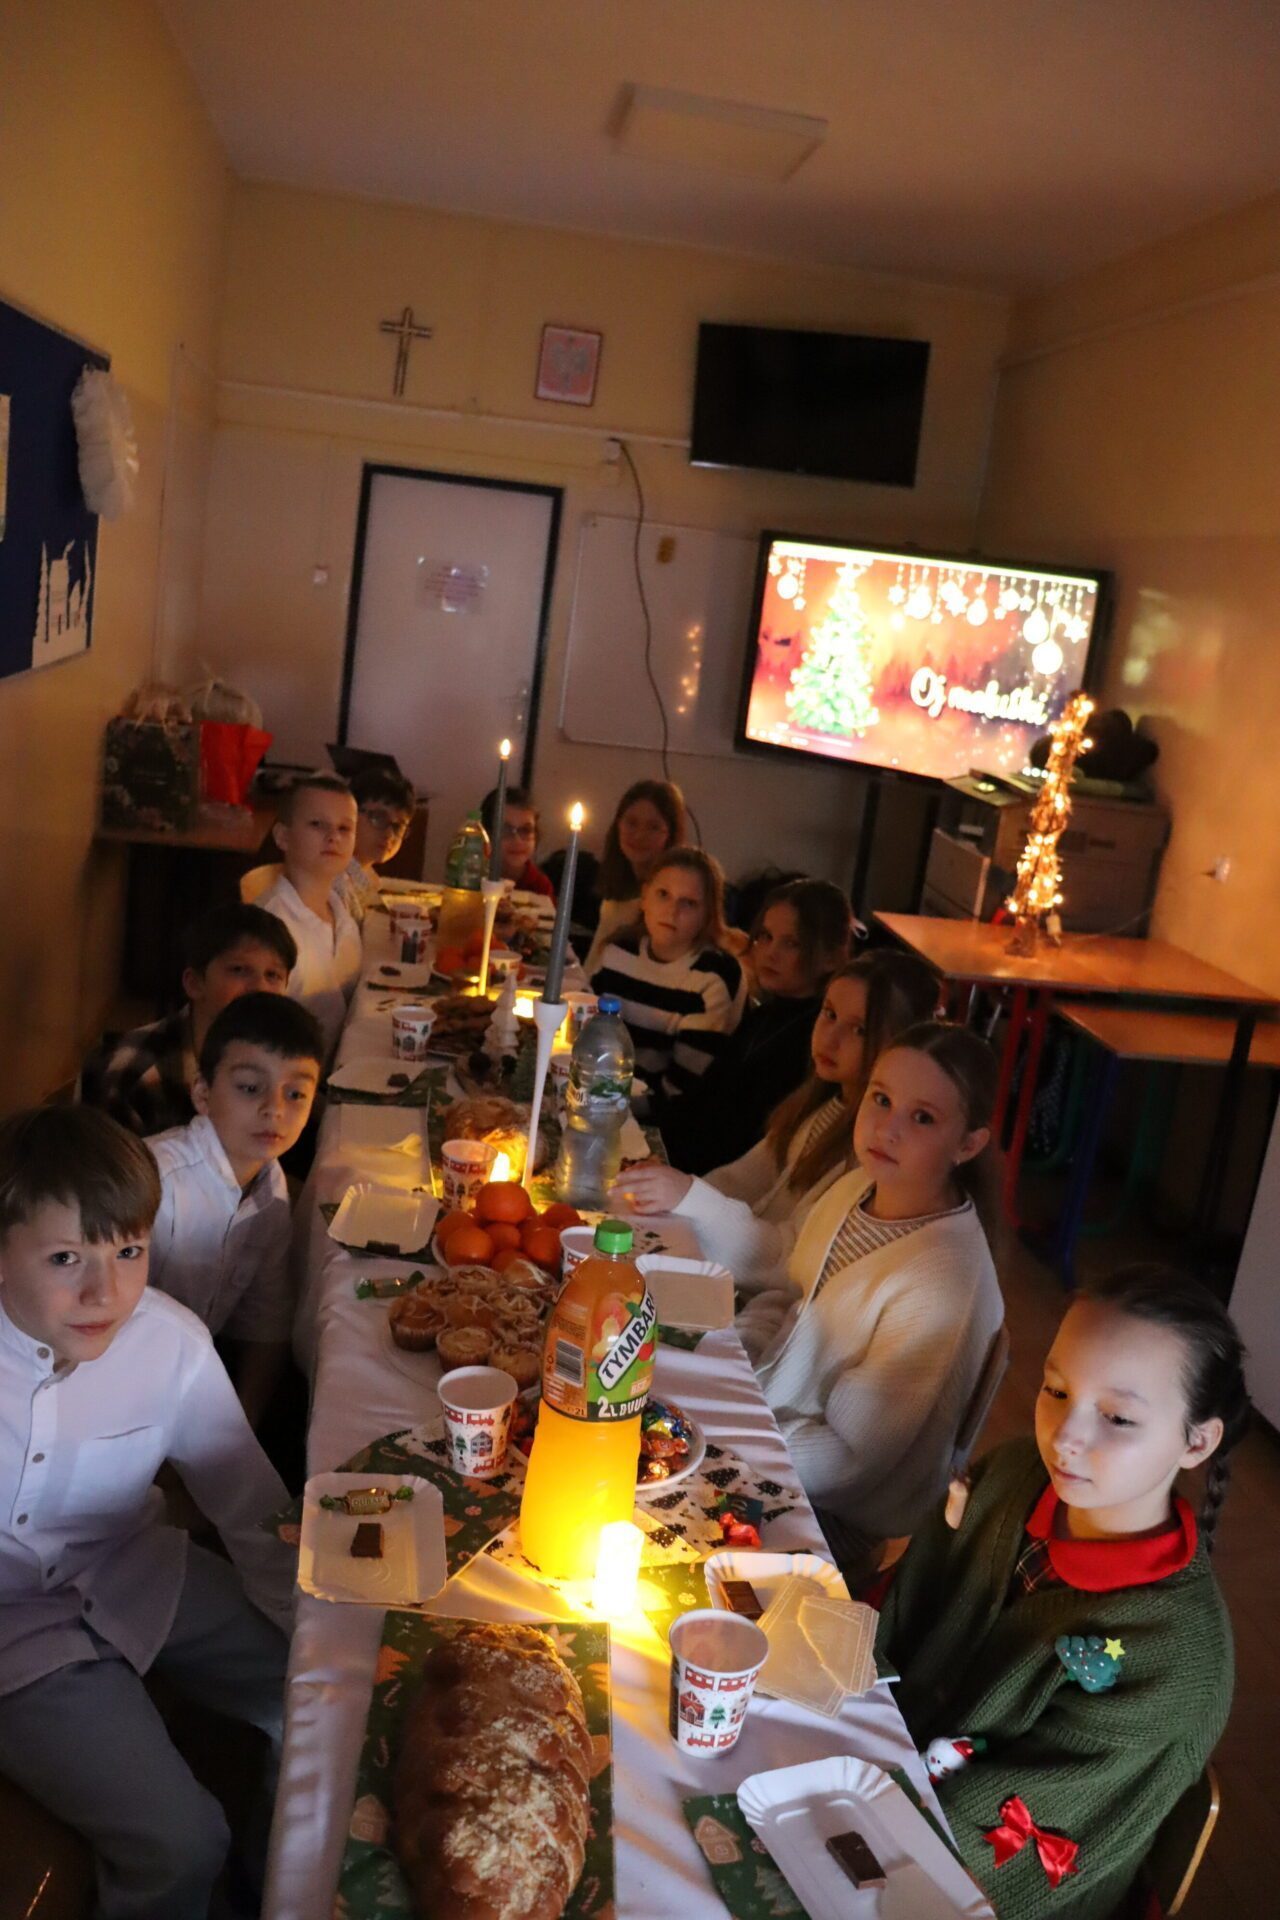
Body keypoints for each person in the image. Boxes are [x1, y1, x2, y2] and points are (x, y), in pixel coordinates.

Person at [876, 1266, 1246, 1920]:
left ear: (1197, 1441)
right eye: (1056, 1389)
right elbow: (895, 1621)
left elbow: (986, 1849)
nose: (1065, 1437)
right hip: (870, 1770)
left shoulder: (1175, 1661)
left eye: (1118, 1417)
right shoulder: (1012, 1475)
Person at [0, 1104, 294, 1919]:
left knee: (312, 1696)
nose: (106, 1292)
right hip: (12, 1630)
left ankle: (280, 1886)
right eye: (66, 1257)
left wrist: (311, 1629)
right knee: (182, 1841)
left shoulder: (171, 1344)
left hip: (133, 1569)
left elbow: (251, 1509)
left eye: (129, 1252)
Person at [738, 1021, 1003, 1555]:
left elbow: (848, 1463)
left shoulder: (939, 1284)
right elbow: (790, 1298)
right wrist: (732, 1355)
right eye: (881, 1099)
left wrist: (737, 1434)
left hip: (826, 1511)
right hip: (763, 1431)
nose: (887, 1128)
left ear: (969, 1143)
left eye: (922, 1117)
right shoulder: (858, 1186)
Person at [617, 950, 940, 1290]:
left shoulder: (869, 1153)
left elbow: (785, 1258)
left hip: (757, 1296)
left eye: (859, 1030)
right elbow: (740, 1180)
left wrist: (689, 1196)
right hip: (732, 1277)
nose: (830, 1038)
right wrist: (671, 1192)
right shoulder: (821, 1104)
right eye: (829, 1014)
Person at [147, 992, 324, 1432]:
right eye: (249, 1087)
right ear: (202, 1093)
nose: (274, 1109)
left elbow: (267, 1324)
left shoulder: (271, 1187)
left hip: (188, 1386)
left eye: (296, 1093)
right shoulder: (156, 1184)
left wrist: (240, 1427)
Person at [652, 878, 855, 1174]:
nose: (770, 953)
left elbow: (746, 1139)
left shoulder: (815, 1037)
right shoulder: (765, 1013)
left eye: (792, 943)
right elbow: (703, 1099)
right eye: (765, 936)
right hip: (686, 1161)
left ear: (830, 958)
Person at [79, 903, 297, 1137]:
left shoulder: (279, 1059)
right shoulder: (137, 1075)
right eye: (239, 970)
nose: (259, 988)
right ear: (194, 983)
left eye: (272, 975)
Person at [590, 847, 746, 1102]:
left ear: (707, 914)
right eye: (663, 895)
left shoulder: (710, 978)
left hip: (651, 1110)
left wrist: (602, 1100)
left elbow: (679, 1091)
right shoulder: (618, 952)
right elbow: (587, 1031)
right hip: (599, 1086)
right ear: (644, 897)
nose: (672, 912)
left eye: (689, 903)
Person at [258, 771, 361, 1062]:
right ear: (283, 837)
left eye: (344, 828)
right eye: (317, 824)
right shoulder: (271, 926)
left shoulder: (342, 913)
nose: (333, 837)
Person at [582, 778, 687, 974]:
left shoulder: (666, 900)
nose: (639, 835)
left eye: (653, 827)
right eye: (631, 823)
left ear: (670, 835)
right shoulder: (620, 880)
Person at [339, 765, 417, 918]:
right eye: (379, 818)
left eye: (398, 826)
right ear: (350, 813)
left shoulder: (366, 877)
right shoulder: (337, 882)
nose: (389, 834)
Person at [480, 783, 555, 898]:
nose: (517, 840)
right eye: (505, 830)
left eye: (526, 830)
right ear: (486, 833)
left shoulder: (540, 886)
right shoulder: (471, 876)